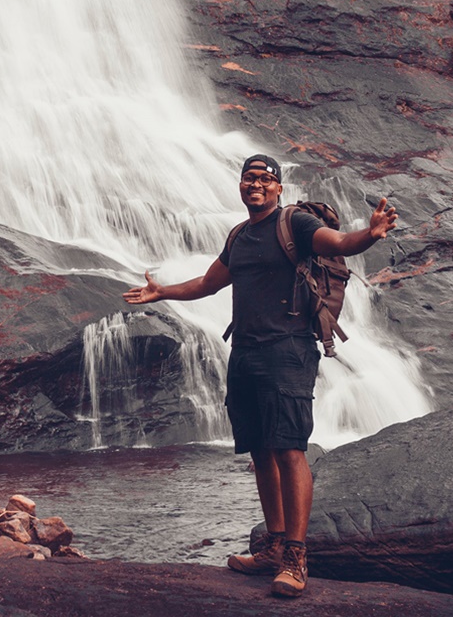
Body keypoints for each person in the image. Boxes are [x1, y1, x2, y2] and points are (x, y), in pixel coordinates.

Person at [122, 154, 397, 598]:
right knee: (261, 452)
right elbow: (209, 284)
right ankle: (271, 545)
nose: (255, 185)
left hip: (288, 350)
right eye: (249, 178)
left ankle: (295, 556)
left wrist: (370, 234)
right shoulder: (240, 236)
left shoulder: (297, 224)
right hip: (245, 351)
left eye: (264, 179)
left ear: (278, 187)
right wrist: (162, 292)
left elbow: (339, 243)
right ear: (241, 186)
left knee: (289, 450)